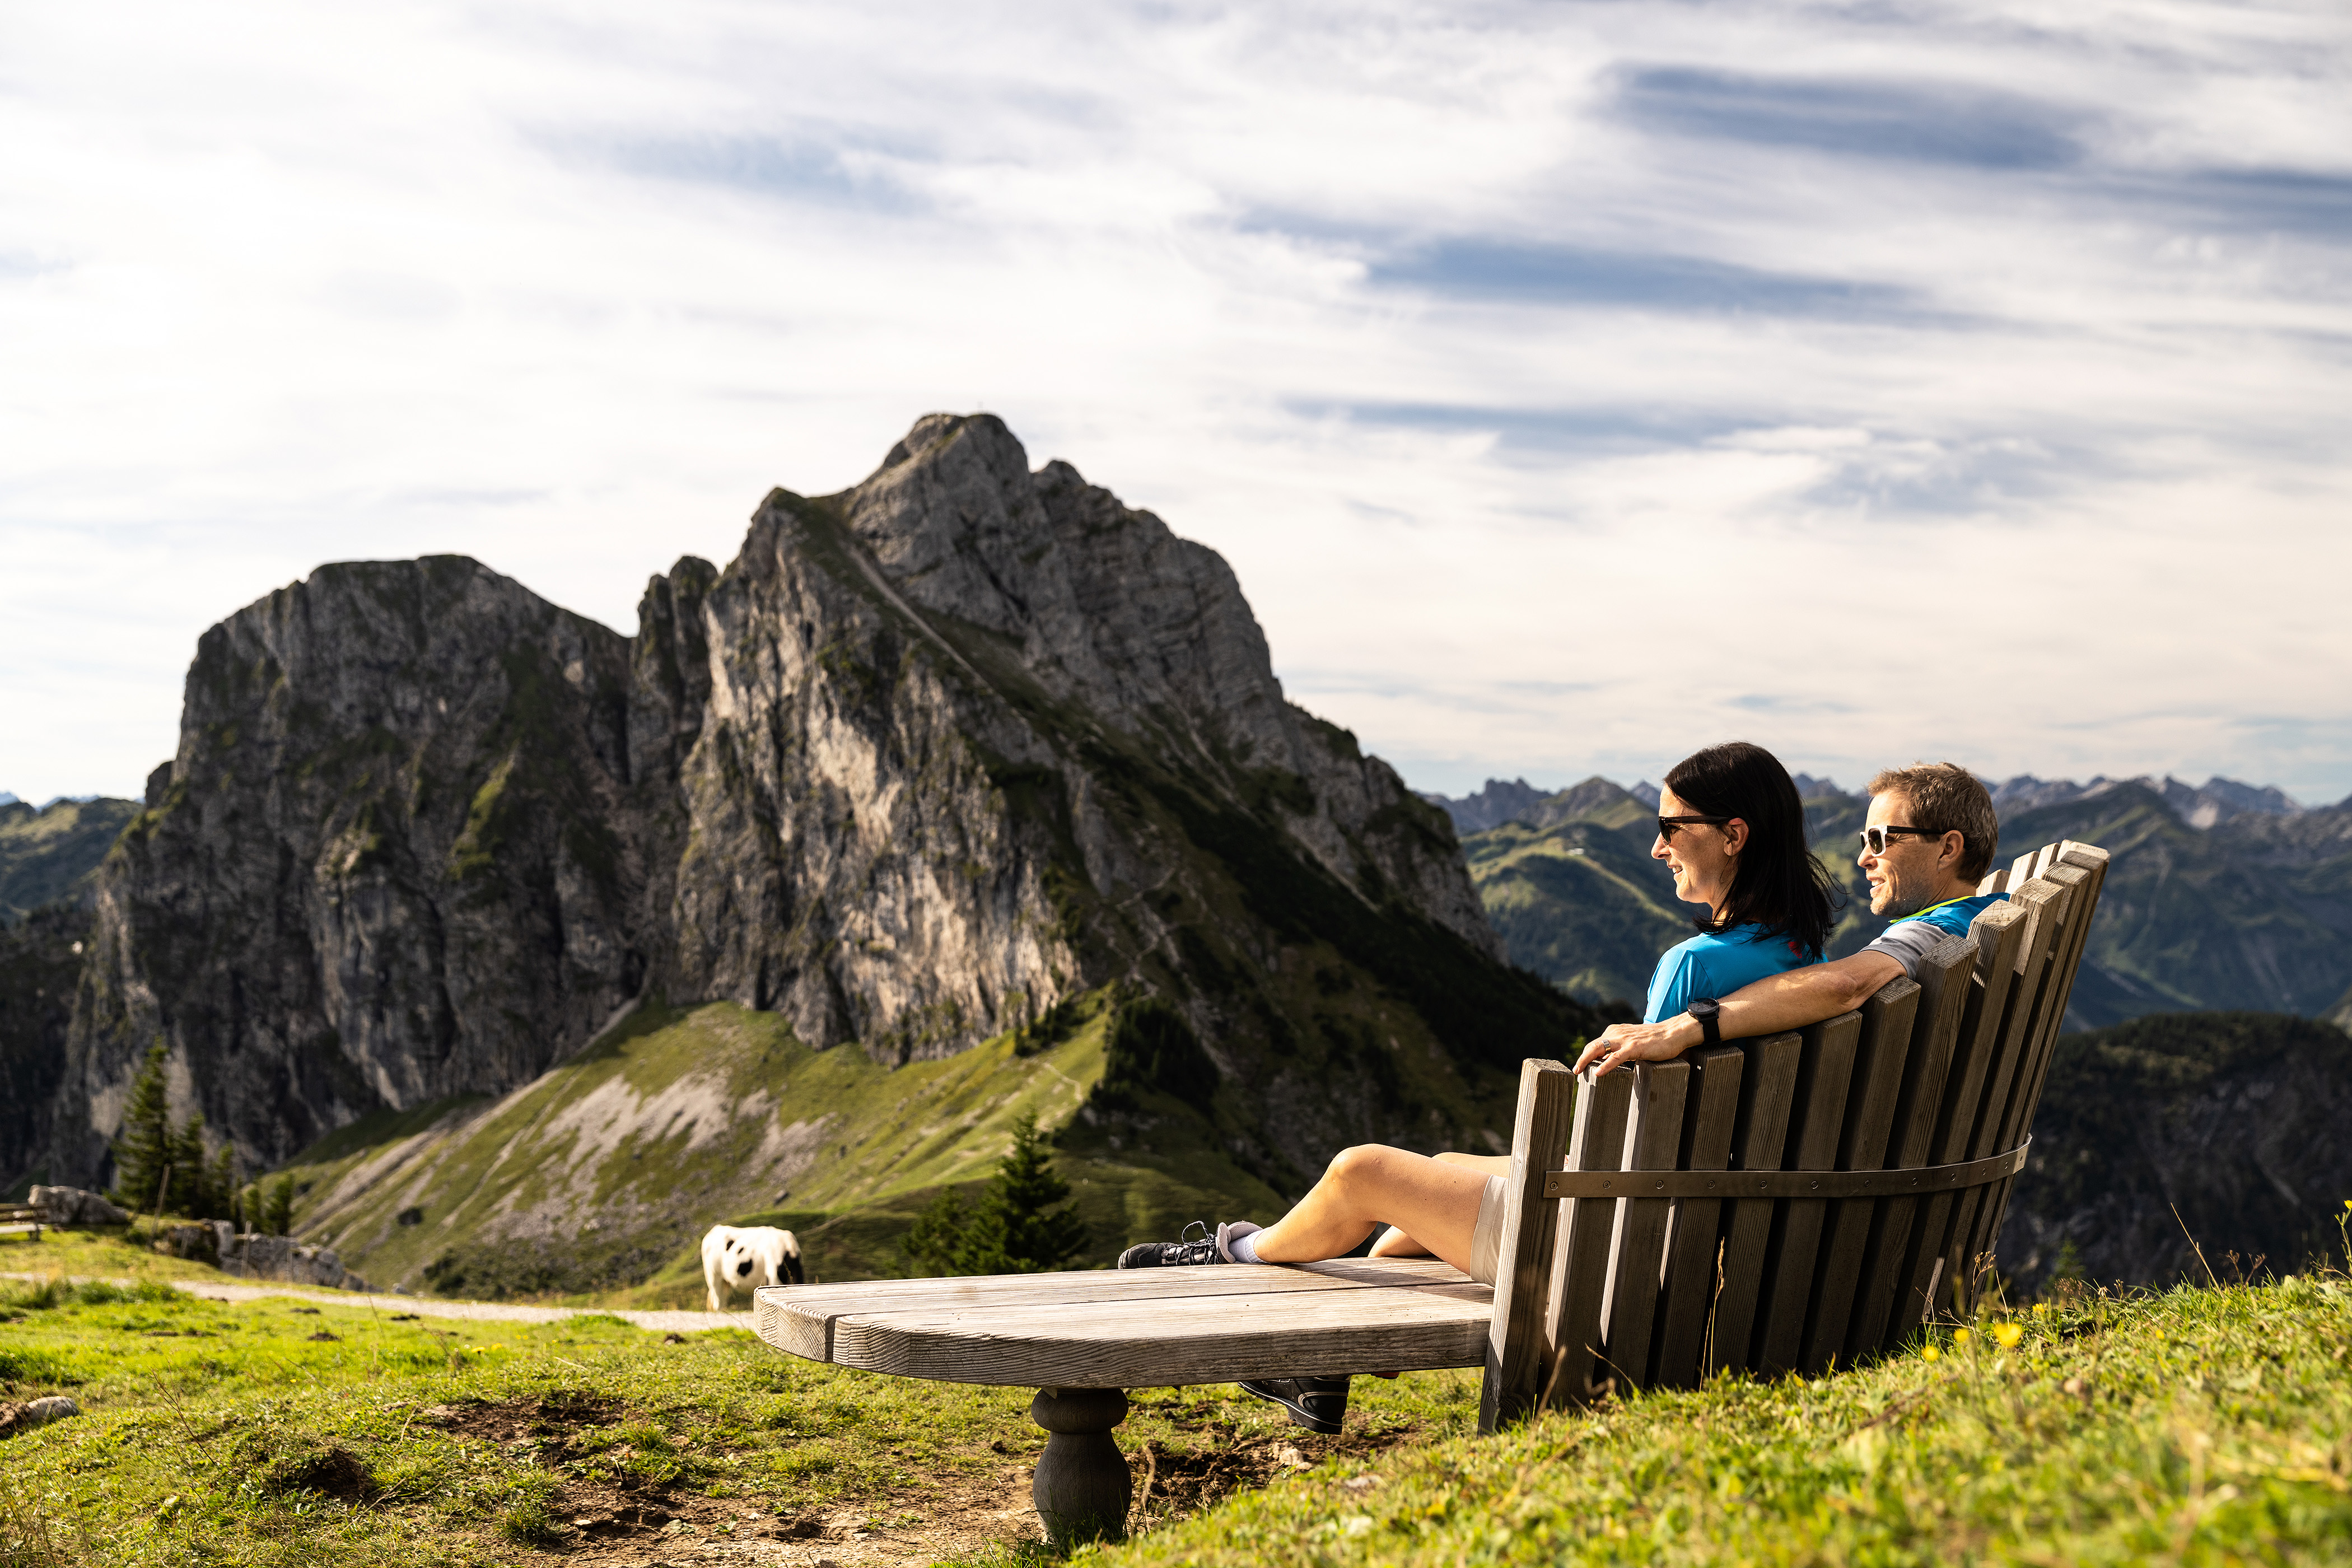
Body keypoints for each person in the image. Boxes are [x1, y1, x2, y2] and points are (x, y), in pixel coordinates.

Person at [1111, 740, 1836, 1434]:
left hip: (1615, 1242)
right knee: (1436, 1181)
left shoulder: (1695, 967)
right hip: (1698, 1219)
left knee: (1360, 1170)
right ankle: (1317, 1360)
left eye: (1670, 827)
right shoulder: (1802, 955)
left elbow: (1624, 1137)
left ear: (1734, 835)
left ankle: (1231, 1255)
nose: (1656, 847)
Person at [1571, 760, 2005, 1076]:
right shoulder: (1976, 920)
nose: (1862, 858)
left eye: (1880, 839)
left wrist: (1685, 1025)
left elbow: (1844, 985)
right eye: (1863, 840)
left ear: (1948, 849)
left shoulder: (1935, 935)